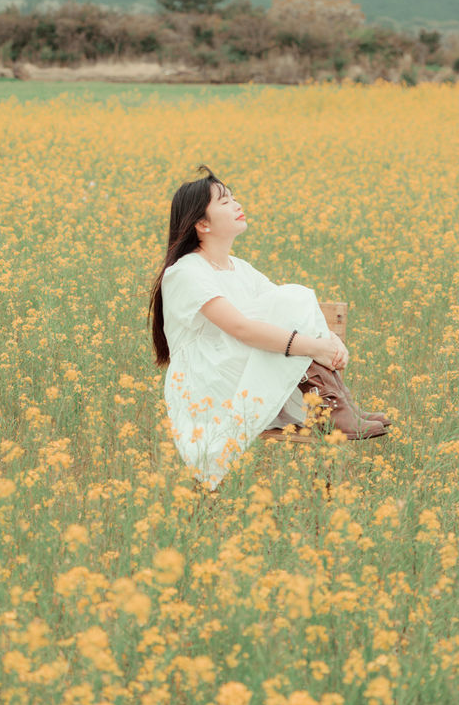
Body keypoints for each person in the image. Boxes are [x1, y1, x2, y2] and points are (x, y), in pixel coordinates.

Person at [148, 166, 390, 490]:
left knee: (289, 298)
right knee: (292, 297)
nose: (236, 204)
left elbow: (295, 314)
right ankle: (329, 406)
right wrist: (316, 347)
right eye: (224, 201)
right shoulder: (186, 272)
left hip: (237, 371)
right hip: (209, 385)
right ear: (202, 224)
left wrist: (332, 343)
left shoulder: (240, 269)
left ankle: (334, 403)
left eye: (234, 197)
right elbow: (242, 329)